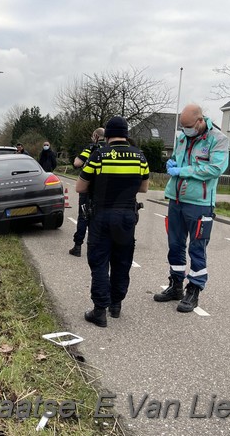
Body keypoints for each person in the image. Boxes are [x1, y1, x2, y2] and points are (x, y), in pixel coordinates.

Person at [154, 104, 229, 312]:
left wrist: (182, 170)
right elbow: (177, 160)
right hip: (176, 199)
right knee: (175, 244)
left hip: (200, 203)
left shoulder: (218, 139)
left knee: (197, 248)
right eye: (182, 126)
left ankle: (194, 290)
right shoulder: (181, 138)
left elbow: (214, 169)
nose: (185, 130)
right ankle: (175, 285)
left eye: (188, 126)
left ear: (200, 121)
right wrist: (171, 163)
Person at [75, 116, 149, 327]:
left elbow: (80, 187)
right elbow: (143, 189)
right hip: (126, 216)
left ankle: (99, 311)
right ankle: (116, 305)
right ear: (126, 135)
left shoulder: (99, 155)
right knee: (122, 261)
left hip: (102, 215)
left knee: (99, 261)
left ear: (106, 135)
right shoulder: (140, 157)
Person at [69, 127, 105, 257]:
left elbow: (77, 163)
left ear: (95, 136)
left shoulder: (91, 148)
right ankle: (97, 246)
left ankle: (78, 246)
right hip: (103, 189)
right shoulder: (110, 149)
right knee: (99, 216)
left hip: (87, 186)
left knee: (83, 216)